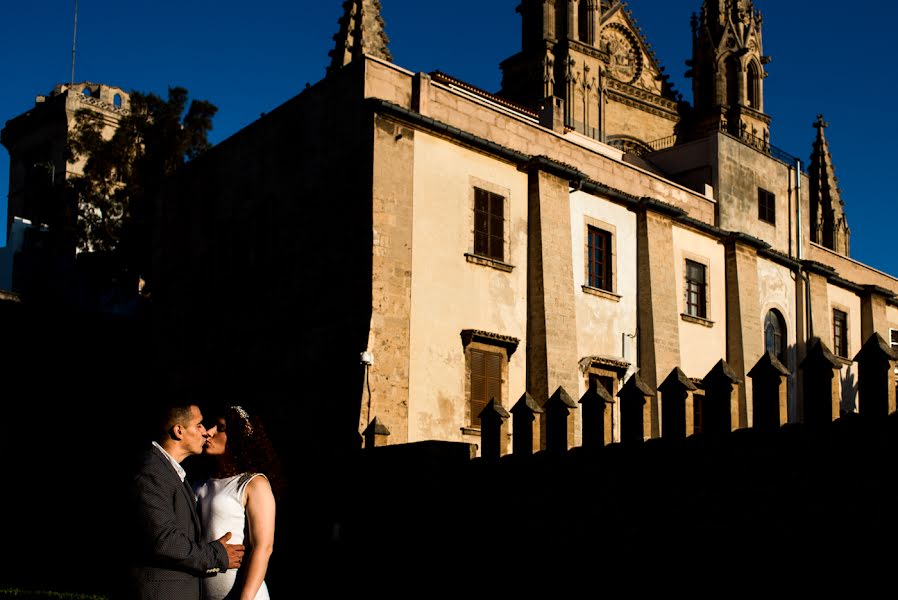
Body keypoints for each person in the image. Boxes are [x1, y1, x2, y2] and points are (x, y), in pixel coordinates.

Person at [128, 401, 245, 600]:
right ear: (179, 431)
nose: (205, 432)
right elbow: (164, 541)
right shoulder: (152, 472)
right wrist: (217, 555)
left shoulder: (170, 472)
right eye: (199, 425)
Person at [194, 405, 282, 600]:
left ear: (239, 437)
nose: (208, 433)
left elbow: (264, 546)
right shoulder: (199, 483)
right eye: (210, 426)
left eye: (221, 428)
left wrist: (246, 598)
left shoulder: (253, 483)